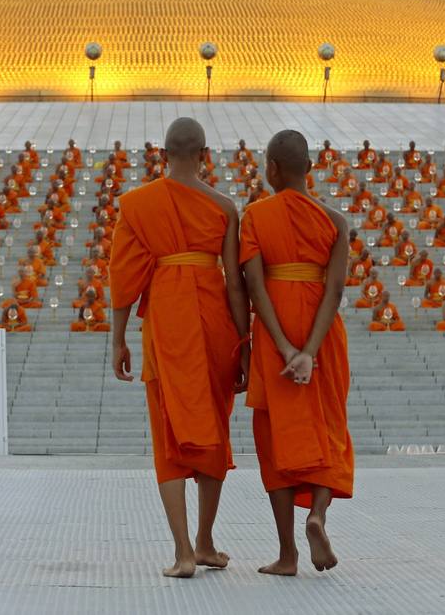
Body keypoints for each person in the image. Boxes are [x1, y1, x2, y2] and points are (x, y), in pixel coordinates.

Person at [110, 118, 250, 579]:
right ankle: (208, 542)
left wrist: (118, 339)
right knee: (213, 424)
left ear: (162, 153)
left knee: (168, 432)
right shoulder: (224, 206)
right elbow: (235, 285)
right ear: (204, 154)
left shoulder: (137, 205)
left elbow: (124, 278)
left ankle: (184, 552)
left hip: (167, 319)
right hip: (214, 320)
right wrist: (243, 344)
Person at [240, 128, 352, 576]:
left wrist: (285, 346)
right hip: (323, 336)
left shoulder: (254, 215)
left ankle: (287, 554)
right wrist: (309, 349)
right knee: (329, 429)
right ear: (309, 169)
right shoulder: (334, 221)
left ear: (270, 168)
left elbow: (252, 284)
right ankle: (318, 516)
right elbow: (337, 288)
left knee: (276, 438)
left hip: (275, 336)